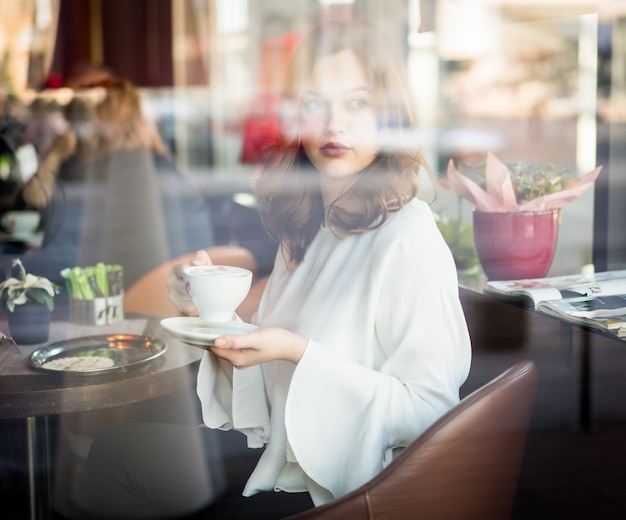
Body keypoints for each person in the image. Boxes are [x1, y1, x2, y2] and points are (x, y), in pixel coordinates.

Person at [73, 20, 471, 518]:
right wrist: (207, 315)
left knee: (122, 464)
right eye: (313, 103)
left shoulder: (408, 235)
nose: (333, 124)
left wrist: (301, 354)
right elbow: (273, 391)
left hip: (347, 489)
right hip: (286, 458)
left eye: (356, 103)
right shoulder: (309, 227)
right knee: (116, 449)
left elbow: (432, 412)